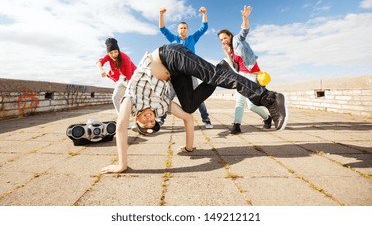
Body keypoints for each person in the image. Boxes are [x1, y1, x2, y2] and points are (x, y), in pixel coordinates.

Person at [100, 43, 288, 174]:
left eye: (145, 122)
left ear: (136, 120)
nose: (150, 119)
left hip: (169, 55)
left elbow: (120, 127)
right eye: (153, 122)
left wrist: (122, 164)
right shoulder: (161, 106)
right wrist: (189, 147)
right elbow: (188, 118)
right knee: (189, 106)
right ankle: (223, 67)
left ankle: (270, 98)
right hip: (174, 73)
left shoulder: (130, 101)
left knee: (215, 77)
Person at [157, 6, 213, 129]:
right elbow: (162, 29)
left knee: (197, 96)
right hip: (176, 73)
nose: (183, 30)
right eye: (181, 28)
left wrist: (204, 13)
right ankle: (160, 119)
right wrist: (161, 15)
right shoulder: (174, 39)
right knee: (169, 96)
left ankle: (206, 119)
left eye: (185, 28)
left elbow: (204, 28)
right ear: (178, 30)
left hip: (190, 71)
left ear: (187, 30)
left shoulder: (192, 38)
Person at [218, 5, 272, 134]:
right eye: (221, 40)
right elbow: (233, 67)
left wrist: (245, 18)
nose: (223, 41)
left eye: (225, 37)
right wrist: (227, 53)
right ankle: (266, 118)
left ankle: (237, 125)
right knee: (248, 104)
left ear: (230, 36)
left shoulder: (237, 40)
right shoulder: (230, 50)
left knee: (246, 103)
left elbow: (244, 31)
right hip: (242, 75)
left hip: (252, 73)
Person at [96, 38, 137, 114]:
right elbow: (99, 62)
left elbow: (129, 76)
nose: (114, 55)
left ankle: (136, 115)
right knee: (115, 98)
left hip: (133, 78)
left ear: (118, 50)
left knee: (132, 98)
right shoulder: (108, 56)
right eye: (111, 53)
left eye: (115, 52)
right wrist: (101, 71)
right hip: (122, 79)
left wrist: (128, 92)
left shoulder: (125, 58)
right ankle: (121, 118)